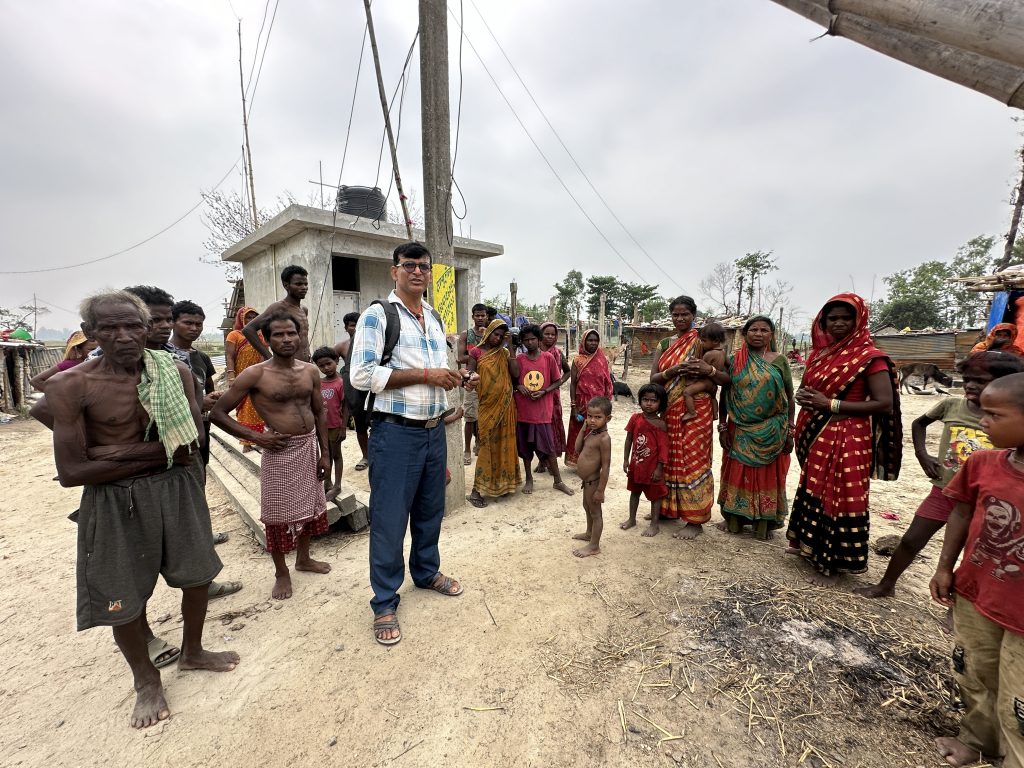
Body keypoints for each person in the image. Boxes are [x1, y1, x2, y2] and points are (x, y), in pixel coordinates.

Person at [45, 291, 239, 729]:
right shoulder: (71, 385)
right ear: (91, 333)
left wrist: (111, 453)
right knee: (122, 595)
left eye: (133, 326)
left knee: (197, 575)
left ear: (148, 327)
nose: (124, 336)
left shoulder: (175, 373)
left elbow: (190, 446)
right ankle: (146, 680)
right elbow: (74, 470)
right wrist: (155, 452)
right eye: (110, 328)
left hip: (176, 488)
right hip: (114, 499)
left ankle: (192, 651)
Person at [350, 242, 473, 646]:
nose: (417, 272)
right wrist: (426, 375)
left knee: (429, 509)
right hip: (396, 432)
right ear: (395, 272)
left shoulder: (434, 317)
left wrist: (452, 376)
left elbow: (438, 373)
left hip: (433, 430)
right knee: (388, 520)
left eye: (423, 266)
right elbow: (362, 375)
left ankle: (425, 572)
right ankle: (385, 600)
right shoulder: (378, 316)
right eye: (409, 266)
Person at [856, 351, 1024, 601]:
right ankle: (886, 584)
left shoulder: (1012, 422)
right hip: (945, 490)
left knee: (974, 554)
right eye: (967, 379)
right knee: (912, 539)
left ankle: (955, 607)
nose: (970, 385)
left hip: (987, 502)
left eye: (980, 380)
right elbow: (919, 424)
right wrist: (923, 455)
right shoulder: (952, 405)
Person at [929, 371, 1024, 768]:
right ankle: (977, 741)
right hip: (977, 593)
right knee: (974, 672)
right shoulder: (983, 463)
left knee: (1020, 701)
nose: (981, 421)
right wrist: (945, 567)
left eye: (994, 415)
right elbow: (962, 512)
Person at [211, 312, 332, 600]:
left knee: (311, 505)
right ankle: (281, 572)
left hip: (308, 446)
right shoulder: (256, 374)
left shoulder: (310, 371)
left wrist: (324, 452)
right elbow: (217, 413)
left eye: (291, 333)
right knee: (277, 515)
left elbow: (319, 412)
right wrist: (256, 436)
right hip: (279, 451)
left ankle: (303, 559)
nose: (287, 339)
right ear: (266, 338)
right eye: (279, 334)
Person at [787, 293, 901, 587]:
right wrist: (805, 397)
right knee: (813, 485)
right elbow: (811, 389)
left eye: (845, 318)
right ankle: (807, 546)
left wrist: (831, 405)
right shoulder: (820, 355)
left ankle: (832, 562)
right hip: (819, 434)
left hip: (849, 436)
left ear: (859, 320)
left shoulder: (870, 358)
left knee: (839, 496)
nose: (838, 323)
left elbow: (884, 403)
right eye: (832, 318)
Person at [649, 296, 728, 540]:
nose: (680, 319)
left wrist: (710, 371)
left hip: (697, 408)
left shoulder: (703, 340)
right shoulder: (665, 343)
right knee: (670, 458)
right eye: (676, 314)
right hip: (670, 408)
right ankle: (669, 509)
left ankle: (695, 520)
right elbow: (653, 378)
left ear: (693, 315)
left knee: (693, 460)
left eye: (685, 314)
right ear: (671, 316)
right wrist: (671, 371)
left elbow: (725, 378)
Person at [716, 315, 795, 540]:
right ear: (745, 333)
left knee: (767, 476)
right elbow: (726, 394)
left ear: (771, 335)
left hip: (772, 430)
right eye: (753, 330)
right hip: (739, 428)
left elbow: (789, 397)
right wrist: (722, 426)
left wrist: (791, 431)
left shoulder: (779, 361)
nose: (758, 334)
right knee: (737, 473)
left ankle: (764, 523)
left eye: (764, 330)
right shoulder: (733, 360)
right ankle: (735, 518)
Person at [515, 324, 575, 497]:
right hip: (524, 412)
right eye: (526, 340)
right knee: (525, 449)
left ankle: (558, 481)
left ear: (538, 339)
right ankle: (529, 479)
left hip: (542, 412)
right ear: (522, 342)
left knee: (548, 448)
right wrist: (519, 385)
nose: (530, 342)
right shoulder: (519, 360)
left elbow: (557, 380)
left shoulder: (548, 358)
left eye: (533, 339)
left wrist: (545, 391)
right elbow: (512, 380)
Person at [466, 319, 521, 507]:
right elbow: (470, 373)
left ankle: (503, 485)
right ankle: (476, 491)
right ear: (488, 332)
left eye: (501, 336)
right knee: (486, 446)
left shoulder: (504, 353)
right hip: (487, 406)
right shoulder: (476, 352)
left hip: (506, 405)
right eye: (495, 334)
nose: (497, 338)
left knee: (505, 444)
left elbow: (515, 374)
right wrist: (470, 378)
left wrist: (511, 346)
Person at [170, 300, 219, 466]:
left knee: (199, 472)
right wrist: (200, 402)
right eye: (188, 323)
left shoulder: (202, 357)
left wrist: (213, 398)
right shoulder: (162, 355)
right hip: (173, 432)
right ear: (172, 323)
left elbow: (209, 389)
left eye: (199, 324)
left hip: (200, 426)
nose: (194, 328)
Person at [620, 383, 669, 537]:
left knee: (655, 496)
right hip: (636, 465)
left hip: (652, 468)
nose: (648, 403)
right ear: (640, 400)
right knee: (634, 492)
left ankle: (654, 525)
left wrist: (659, 468)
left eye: (653, 401)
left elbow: (663, 448)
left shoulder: (661, 424)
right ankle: (632, 519)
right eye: (645, 400)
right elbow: (629, 440)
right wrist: (625, 460)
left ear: (660, 403)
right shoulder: (635, 418)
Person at [243, 265, 312, 362]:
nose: (304, 287)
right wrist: (269, 357)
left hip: (305, 364)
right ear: (286, 285)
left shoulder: (304, 309)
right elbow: (248, 329)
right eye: (298, 284)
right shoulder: (279, 307)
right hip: (287, 366)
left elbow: (303, 337)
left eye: (305, 284)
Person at [566, 329, 613, 467]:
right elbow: (573, 384)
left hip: (599, 405)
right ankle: (578, 462)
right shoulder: (577, 360)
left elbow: (607, 382)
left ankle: (594, 463)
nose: (593, 343)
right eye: (590, 340)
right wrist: (574, 407)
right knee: (579, 433)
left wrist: (607, 406)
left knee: (597, 433)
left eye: (595, 340)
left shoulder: (602, 359)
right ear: (584, 341)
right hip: (581, 405)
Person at [572, 396, 612, 557]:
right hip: (586, 482)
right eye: (590, 416)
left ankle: (594, 546)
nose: (592, 420)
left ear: (607, 418)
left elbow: (606, 466)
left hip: (594, 482)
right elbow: (577, 448)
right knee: (586, 507)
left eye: (598, 417)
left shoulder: (604, 439)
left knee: (596, 513)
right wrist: (583, 428)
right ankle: (589, 533)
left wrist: (600, 490)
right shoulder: (592, 433)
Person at [225, 305, 265, 452]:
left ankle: (258, 438)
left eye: (255, 317)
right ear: (241, 318)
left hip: (258, 377)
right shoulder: (234, 335)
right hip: (241, 377)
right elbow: (229, 356)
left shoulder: (260, 336)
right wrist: (231, 375)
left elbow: (264, 355)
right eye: (248, 317)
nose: (252, 320)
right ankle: (246, 442)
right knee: (244, 409)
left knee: (259, 407)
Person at [334, 311, 370, 471]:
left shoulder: (372, 344)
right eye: (352, 326)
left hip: (371, 389)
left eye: (358, 325)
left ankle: (377, 455)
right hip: (353, 391)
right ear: (346, 328)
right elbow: (330, 363)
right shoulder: (341, 347)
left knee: (378, 424)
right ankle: (366, 456)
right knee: (360, 426)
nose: (355, 329)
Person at [535, 321, 571, 474]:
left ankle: (551, 461)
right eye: (546, 333)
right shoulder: (534, 351)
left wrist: (558, 383)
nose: (550, 337)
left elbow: (568, 371)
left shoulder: (558, 353)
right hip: (536, 396)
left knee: (552, 427)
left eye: (553, 334)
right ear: (540, 334)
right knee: (538, 428)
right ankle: (542, 461)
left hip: (553, 397)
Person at [457, 303, 490, 465]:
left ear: (487, 316)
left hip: (488, 380)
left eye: (483, 315)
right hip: (470, 379)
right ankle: (467, 450)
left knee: (484, 415)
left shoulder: (491, 334)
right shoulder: (466, 335)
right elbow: (460, 358)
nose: (480, 318)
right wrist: (478, 352)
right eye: (477, 315)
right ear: (473, 317)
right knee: (470, 416)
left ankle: (479, 443)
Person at [312, 346, 346, 502]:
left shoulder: (341, 382)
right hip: (321, 427)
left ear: (337, 361)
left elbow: (346, 407)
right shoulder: (318, 383)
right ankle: (327, 481)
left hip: (335, 426)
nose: (326, 368)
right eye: (321, 366)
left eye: (329, 363)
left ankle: (337, 485)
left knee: (336, 454)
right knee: (325, 454)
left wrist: (343, 427)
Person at [679, 321, 727, 423]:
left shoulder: (709, 354)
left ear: (715, 341)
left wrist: (691, 379)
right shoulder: (723, 352)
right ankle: (715, 414)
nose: (701, 343)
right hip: (714, 383)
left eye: (704, 341)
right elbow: (729, 364)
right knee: (713, 397)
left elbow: (700, 370)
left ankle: (692, 412)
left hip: (705, 382)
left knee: (687, 392)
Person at [29, 330, 97, 391]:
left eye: (100, 348)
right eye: (92, 349)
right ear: (79, 351)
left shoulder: (104, 364)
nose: (96, 352)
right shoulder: (70, 365)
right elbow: (35, 381)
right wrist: (60, 397)